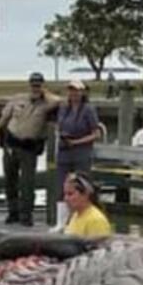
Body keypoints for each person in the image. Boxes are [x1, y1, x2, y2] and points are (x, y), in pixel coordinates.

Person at [0, 72, 59, 226]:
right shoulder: (18, 98)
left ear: (43, 85)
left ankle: (26, 215)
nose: (35, 87)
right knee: (10, 181)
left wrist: (44, 93)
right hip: (10, 144)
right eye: (33, 84)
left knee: (27, 184)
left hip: (29, 148)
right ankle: (12, 212)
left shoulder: (46, 103)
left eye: (38, 84)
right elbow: (4, 118)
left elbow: (58, 101)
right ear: (29, 84)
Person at [54, 80, 103, 230]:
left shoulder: (88, 109)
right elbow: (58, 125)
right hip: (64, 151)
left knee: (81, 185)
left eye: (76, 90)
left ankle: (82, 219)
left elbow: (96, 134)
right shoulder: (63, 108)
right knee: (62, 184)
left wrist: (76, 142)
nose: (73, 93)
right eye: (70, 90)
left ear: (82, 92)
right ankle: (61, 222)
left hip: (81, 151)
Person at [62, 173, 113, 238]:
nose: (65, 198)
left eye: (70, 194)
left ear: (85, 194)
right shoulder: (75, 215)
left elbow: (98, 247)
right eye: (65, 194)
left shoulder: (95, 220)